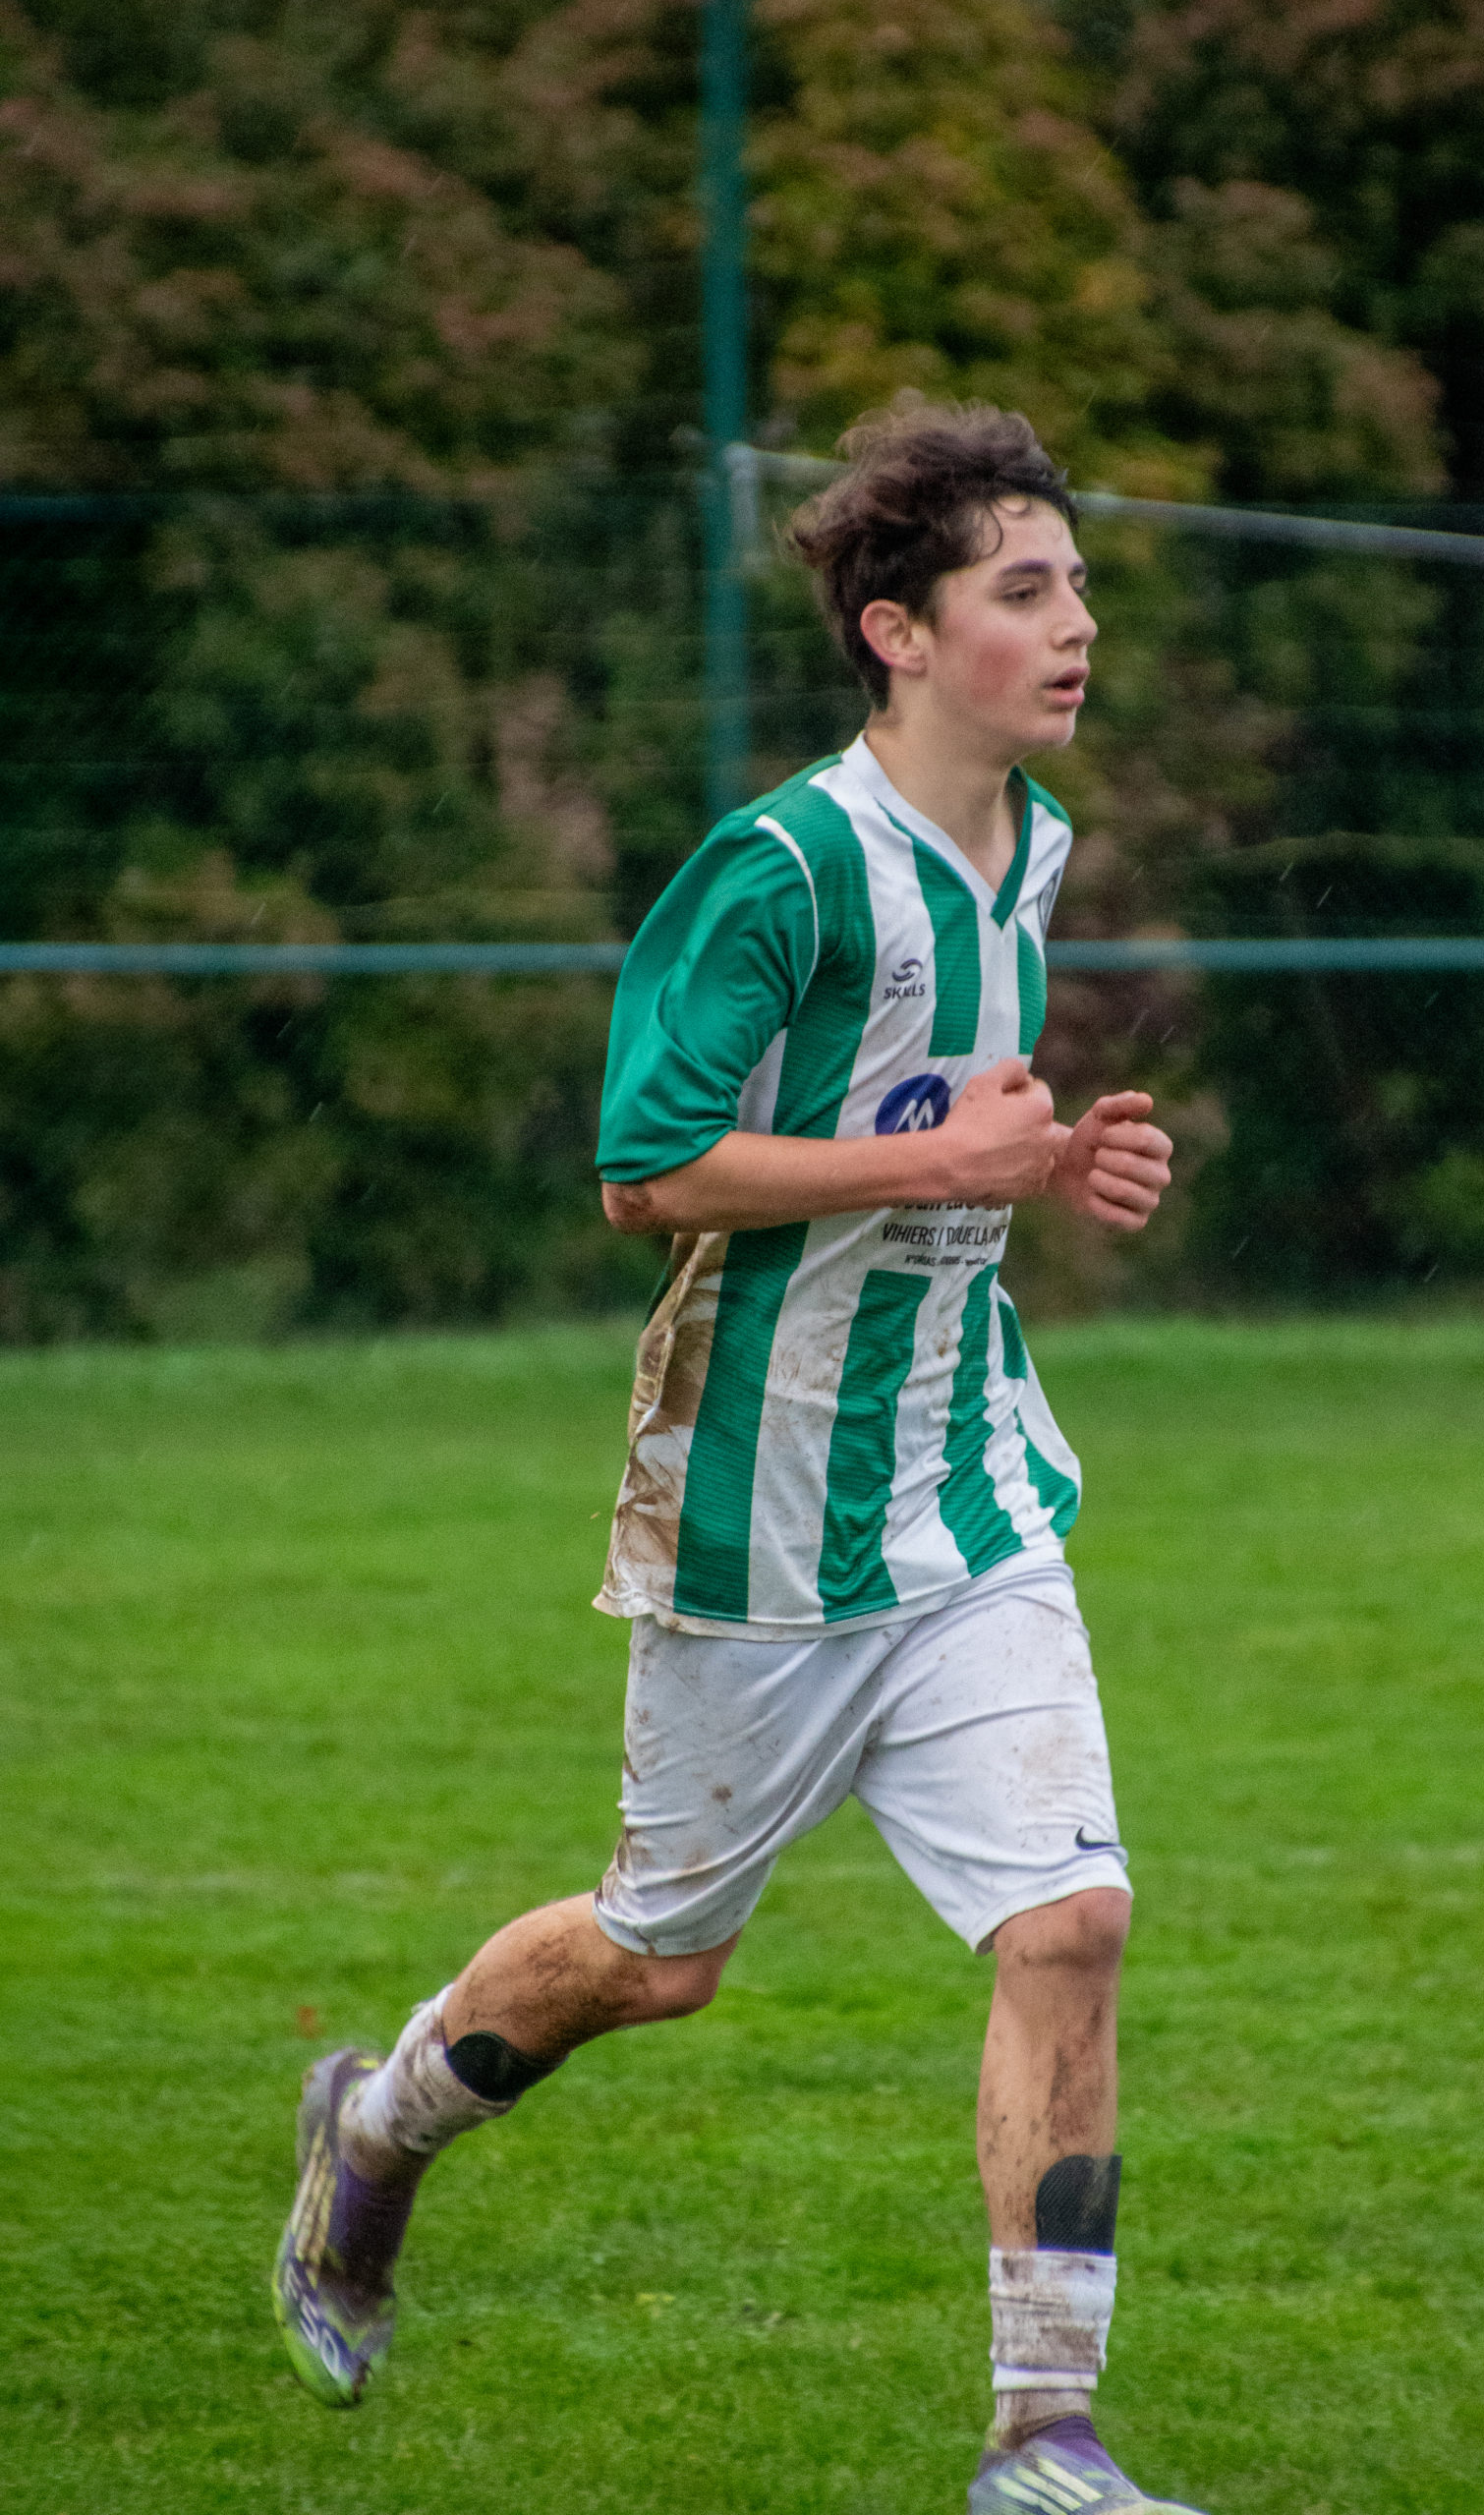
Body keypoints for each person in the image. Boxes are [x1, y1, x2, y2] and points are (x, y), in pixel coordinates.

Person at [273, 398, 1204, 2515]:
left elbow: (939, 1127)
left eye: (1077, 583)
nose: (1077, 623)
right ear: (898, 630)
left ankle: (1041, 2436)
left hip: (965, 1486)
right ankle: (377, 2125)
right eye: (1026, 589)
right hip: (755, 1515)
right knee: (656, 1959)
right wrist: (951, 1159)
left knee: (1072, 1918)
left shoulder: (1034, 847)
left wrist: (1056, 1161)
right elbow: (645, 1168)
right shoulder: (778, 869)